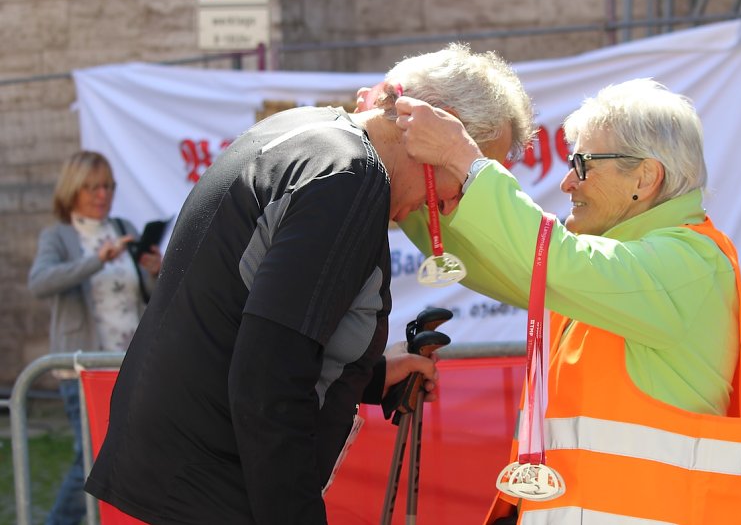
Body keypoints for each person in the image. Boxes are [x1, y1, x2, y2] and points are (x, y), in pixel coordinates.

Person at [84, 43, 534, 525]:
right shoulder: (350, 178)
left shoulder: (310, 132)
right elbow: (267, 381)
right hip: (215, 486)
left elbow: (250, 322)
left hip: (184, 468)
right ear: (430, 129)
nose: (451, 207)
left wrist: (373, 374)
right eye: (466, 175)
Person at [395, 78, 741, 524]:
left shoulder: (690, 262)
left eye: (583, 163)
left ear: (646, 177)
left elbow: (549, 259)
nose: (568, 181)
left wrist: (464, 159)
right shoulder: (620, 265)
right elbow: (507, 265)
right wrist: (416, 201)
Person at [28, 150, 162, 525]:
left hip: (127, 365)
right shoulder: (59, 235)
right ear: (72, 190)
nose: (101, 194)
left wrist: (155, 271)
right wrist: (96, 260)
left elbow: (141, 295)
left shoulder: (121, 226)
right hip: (82, 369)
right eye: (91, 187)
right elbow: (40, 282)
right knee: (89, 458)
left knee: (130, 453)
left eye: (107, 186)